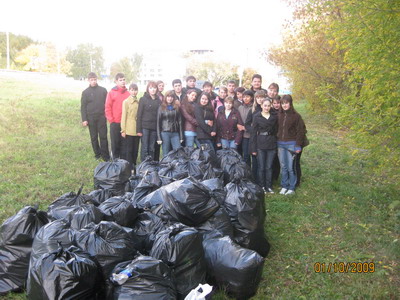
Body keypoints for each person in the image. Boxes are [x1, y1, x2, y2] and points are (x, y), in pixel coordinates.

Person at [277, 94, 307, 195]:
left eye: (286, 103)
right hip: (280, 144)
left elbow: (301, 131)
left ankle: (291, 187)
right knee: (283, 166)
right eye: (282, 103)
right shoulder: (279, 115)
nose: (284, 105)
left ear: (290, 103)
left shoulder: (296, 116)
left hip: (291, 144)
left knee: (291, 167)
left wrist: (298, 145)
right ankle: (284, 185)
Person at [250, 99, 278, 194]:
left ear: (271, 106)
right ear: (261, 106)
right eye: (265, 105)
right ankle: (262, 186)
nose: (266, 107)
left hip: (271, 144)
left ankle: (269, 186)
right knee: (261, 167)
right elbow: (253, 133)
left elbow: (276, 130)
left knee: (269, 167)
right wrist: (253, 148)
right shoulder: (257, 116)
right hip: (260, 143)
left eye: (268, 105)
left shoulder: (274, 117)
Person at [81, 72, 110, 161]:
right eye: (91, 80)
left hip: (101, 117)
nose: (93, 81)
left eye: (95, 79)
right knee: (94, 137)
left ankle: (105, 155)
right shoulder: (85, 92)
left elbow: (108, 104)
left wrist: (108, 116)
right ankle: (97, 154)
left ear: (97, 79)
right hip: (91, 118)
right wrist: (84, 119)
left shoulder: (103, 90)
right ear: (88, 80)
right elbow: (83, 107)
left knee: (103, 136)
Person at [105, 73, 130, 159]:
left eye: (124, 79)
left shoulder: (128, 93)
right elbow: (107, 107)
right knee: (115, 143)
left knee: (124, 143)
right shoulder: (111, 93)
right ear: (116, 81)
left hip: (125, 124)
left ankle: (123, 162)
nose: (123, 82)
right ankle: (115, 160)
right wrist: (111, 120)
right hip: (115, 122)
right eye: (120, 80)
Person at [137, 81, 161, 161]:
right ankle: (144, 164)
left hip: (154, 128)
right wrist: (138, 130)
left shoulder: (158, 101)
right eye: (151, 88)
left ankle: (151, 164)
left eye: (154, 88)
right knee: (145, 147)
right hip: (145, 127)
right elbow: (139, 115)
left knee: (151, 148)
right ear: (148, 89)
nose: (153, 90)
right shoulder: (143, 99)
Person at [245, 90, 266, 181]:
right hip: (254, 138)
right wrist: (253, 131)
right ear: (255, 98)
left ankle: (263, 180)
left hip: (265, 138)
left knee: (264, 160)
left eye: (261, 97)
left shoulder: (266, 108)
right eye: (258, 97)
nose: (260, 99)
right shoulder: (252, 110)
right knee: (255, 160)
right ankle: (254, 179)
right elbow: (247, 124)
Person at [156, 90, 183, 157]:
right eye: (168, 97)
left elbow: (180, 122)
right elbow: (158, 123)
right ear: (165, 98)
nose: (170, 98)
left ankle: (177, 166)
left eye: (171, 97)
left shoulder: (176, 108)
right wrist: (159, 137)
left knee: (178, 151)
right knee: (166, 153)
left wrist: (181, 136)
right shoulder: (161, 107)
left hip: (175, 133)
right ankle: (165, 166)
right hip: (165, 133)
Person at [121, 83, 140, 168]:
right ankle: (129, 166)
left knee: (136, 149)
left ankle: (134, 164)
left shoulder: (138, 101)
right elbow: (123, 116)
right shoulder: (126, 102)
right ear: (129, 90)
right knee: (129, 149)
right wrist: (123, 130)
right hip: (129, 128)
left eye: (135, 90)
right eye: (132, 90)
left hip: (137, 128)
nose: (134, 92)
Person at [238, 90, 254, 163]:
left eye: (247, 97)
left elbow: (255, 122)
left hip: (252, 135)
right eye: (244, 97)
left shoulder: (254, 108)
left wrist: (245, 127)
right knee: (245, 155)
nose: (245, 98)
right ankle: (246, 171)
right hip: (244, 136)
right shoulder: (240, 108)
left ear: (251, 97)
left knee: (253, 155)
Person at [271, 95, 281, 182]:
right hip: (272, 138)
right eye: (274, 103)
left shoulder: (283, 112)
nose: (276, 105)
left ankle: (276, 177)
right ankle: (272, 176)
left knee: (278, 158)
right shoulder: (271, 112)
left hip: (280, 138)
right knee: (272, 158)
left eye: (278, 103)